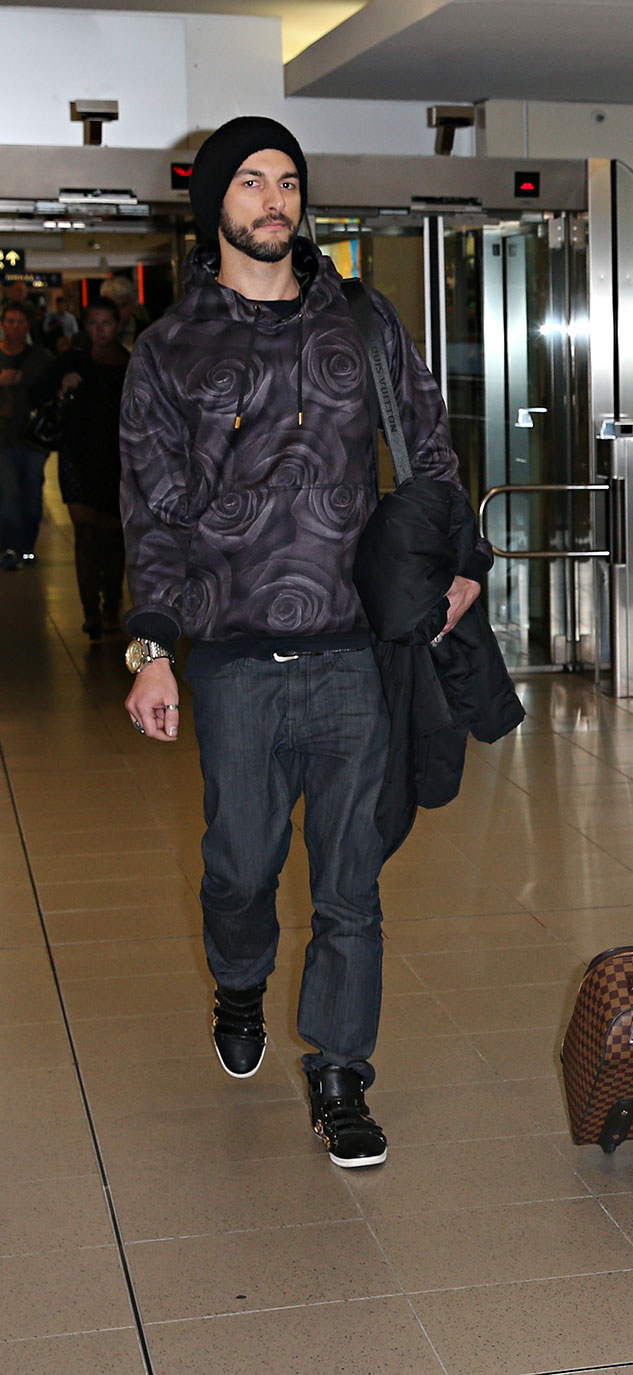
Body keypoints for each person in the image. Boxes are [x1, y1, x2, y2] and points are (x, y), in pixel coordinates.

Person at [120, 115, 491, 1168]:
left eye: (287, 180)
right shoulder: (169, 350)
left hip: (352, 649)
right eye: (251, 181)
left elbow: (428, 445)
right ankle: (239, 982)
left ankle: (340, 1077)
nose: (274, 198)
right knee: (241, 868)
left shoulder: (360, 322)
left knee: (350, 881)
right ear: (215, 206)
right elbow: (153, 509)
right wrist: (151, 649)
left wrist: (464, 559)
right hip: (233, 652)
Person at [54, 297, 129, 637]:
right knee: (85, 534)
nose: (100, 331)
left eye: (106, 323)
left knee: (113, 538)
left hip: (116, 458)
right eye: (94, 324)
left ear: (116, 325)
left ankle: (111, 603)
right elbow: (41, 394)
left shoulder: (130, 364)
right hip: (78, 455)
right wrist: (63, 387)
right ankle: (91, 612)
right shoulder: (73, 360)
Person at [0, 299, 54, 569]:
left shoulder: (40, 358)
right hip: (3, 440)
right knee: (8, 496)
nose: (15, 327)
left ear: (28, 326)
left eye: (20, 322)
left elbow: (52, 386)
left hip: (33, 440)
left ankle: (27, 548)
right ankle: (10, 549)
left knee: (32, 499)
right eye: (10, 321)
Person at [99, 274, 149, 351]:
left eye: (123, 305)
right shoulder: (94, 334)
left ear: (132, 303)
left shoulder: (147, 333)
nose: (118, 311)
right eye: (112, 306)